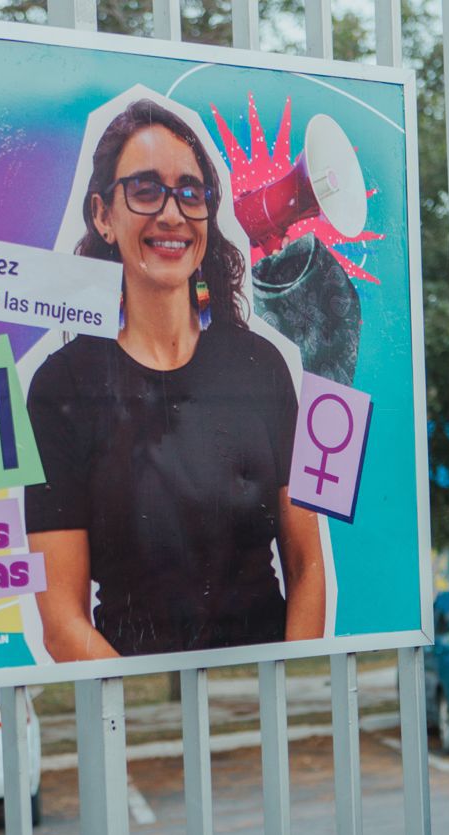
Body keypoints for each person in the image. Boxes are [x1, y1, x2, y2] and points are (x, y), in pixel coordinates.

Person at [24, 98, 326, 660]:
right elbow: (61, 621)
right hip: (138, 720)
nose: (172, 214)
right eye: (145, 190)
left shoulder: (264, 367)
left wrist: (284, 695)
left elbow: (308, 567)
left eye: (191, 193)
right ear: (101, 215)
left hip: (265, 712)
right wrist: (150, 723)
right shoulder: (59, 387)